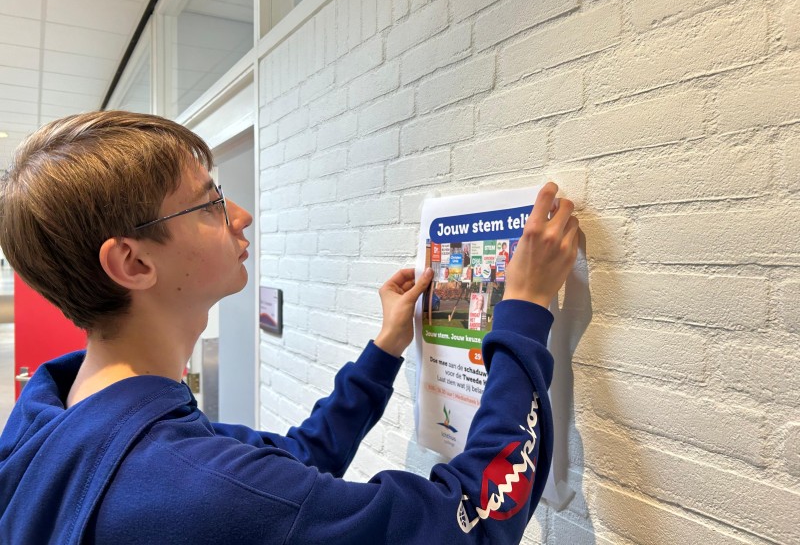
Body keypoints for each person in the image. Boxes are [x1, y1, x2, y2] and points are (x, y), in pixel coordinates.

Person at [0, 111, 580, 544]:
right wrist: (525, 307)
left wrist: (384, 349)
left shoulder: (52, 421)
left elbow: (296, 458)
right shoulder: (194, 485)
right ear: (134, 263)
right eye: (209, 204)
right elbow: (466, 520)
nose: (239, 215)